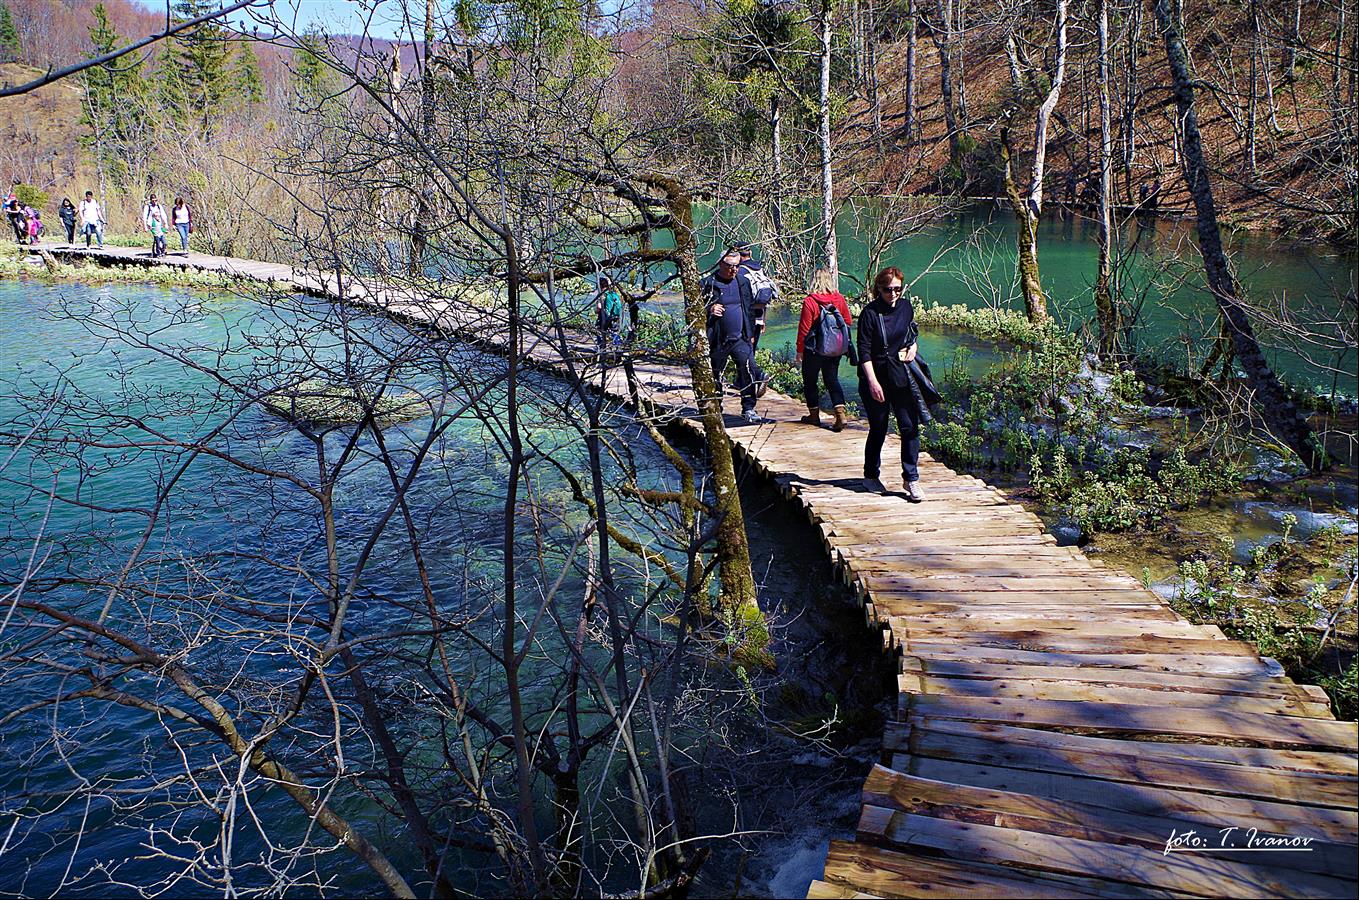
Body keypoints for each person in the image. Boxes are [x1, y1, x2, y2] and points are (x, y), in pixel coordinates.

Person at [857, 266, 938, 502]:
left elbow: (911, 333)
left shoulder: (905, 307)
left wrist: (913, 347)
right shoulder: (870, 314)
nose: (893, 294)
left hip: (901, 376)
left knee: (909, 427)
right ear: (878, 289)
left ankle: (911, 478)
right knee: (879, 428)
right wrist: (872, 382)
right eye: (887, 290)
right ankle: (871, 475)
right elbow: (863, 352)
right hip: (877, 377)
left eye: (897, 289)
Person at [703, 250, 767, 424]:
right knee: (715, 374)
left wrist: (751, 332)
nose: (734, 270)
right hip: (717, 339)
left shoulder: (743, 282)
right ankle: (716, 406)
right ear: (721, 264)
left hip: (741, 337)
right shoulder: (709, 283)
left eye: (737, 266)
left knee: (748, 370)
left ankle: (749, 408)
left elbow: (749, 308)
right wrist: (709, 310)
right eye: (730, 266)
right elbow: (694, 311)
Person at [796, 268, 857, 431]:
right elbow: (848, 322)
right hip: (834, 349)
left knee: (810, 381)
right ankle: (840, 415)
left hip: (814, 349)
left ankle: (814, 416)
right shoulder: (839, 299)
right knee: (832, 380)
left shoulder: (810, 301)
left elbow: (804, 329)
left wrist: (800, 350)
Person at [734, 242, 777, 351]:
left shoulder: (740, 272)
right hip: (759, 317)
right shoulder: (759, 268)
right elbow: (764, 294)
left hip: (746, 319)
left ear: (738, 255)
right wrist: (763, 320)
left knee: (743, 351)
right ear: (750, 253)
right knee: (752, 350)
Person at [594, 275, 624, 349]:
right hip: (615, 316)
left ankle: (601, 347)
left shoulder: (603, 295)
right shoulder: (613, 293)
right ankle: (618, 347)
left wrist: (596, 311)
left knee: (599, 331)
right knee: (614, 332)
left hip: (605, 317)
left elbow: (599, 307)